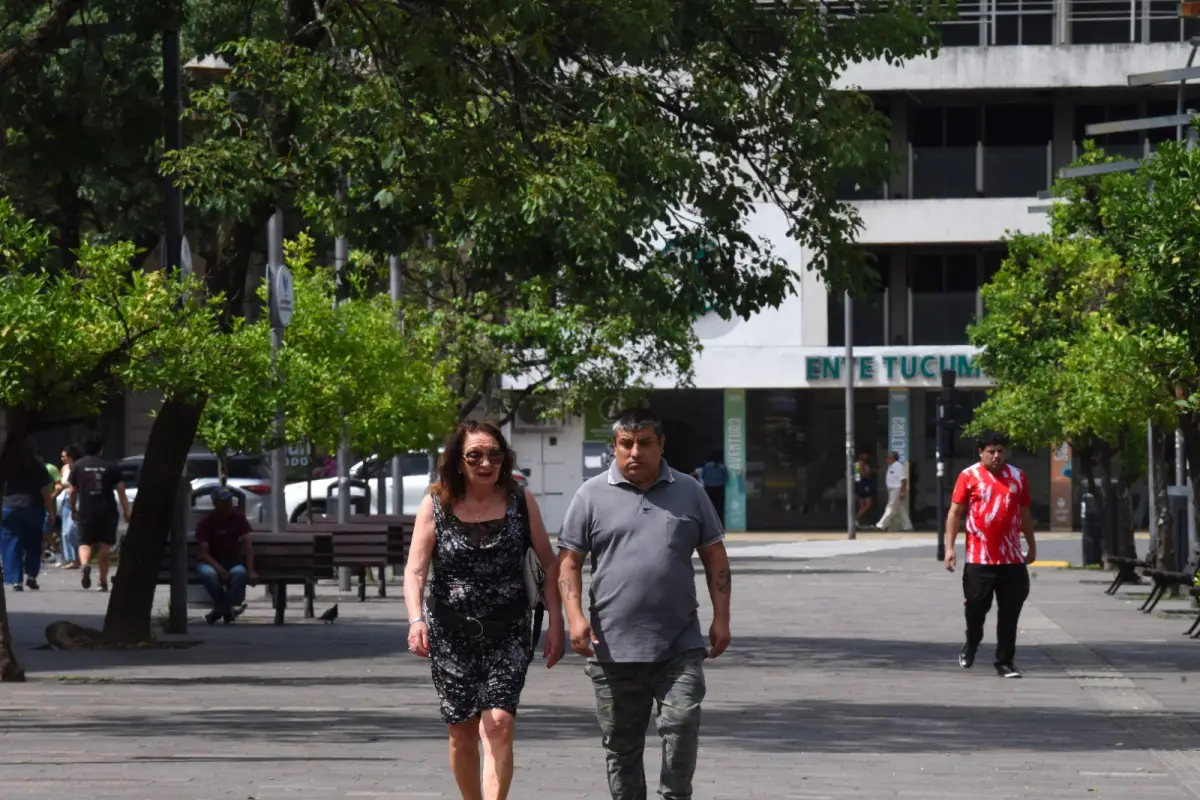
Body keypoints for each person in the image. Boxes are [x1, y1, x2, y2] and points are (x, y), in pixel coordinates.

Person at [558, 407, 731, 800]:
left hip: (678, 642)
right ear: (614, 447)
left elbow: (715, 558)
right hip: (611, 648)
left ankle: (675, 795)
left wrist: (722, 619)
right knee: (622, 747)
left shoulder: (690, 491)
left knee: (683, 722)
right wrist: (574, 618)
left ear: (661, 444)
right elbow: (568, 563)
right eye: (626, 444)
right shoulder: (591, 494)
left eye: (645, 443)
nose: (635, 452)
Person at [403, 420, 564, 800]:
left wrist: (557, 622)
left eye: (493, 455)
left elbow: (550, 563)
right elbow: (415, 570)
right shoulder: (436, 502)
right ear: (458, 461)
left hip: (508, 630)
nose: (485, 463)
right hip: (450, 633)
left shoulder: (519, 501)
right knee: (461, 731)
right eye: (474, 455)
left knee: (498, 723)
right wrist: (415, 620)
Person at [945, 431, 1037, 679]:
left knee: (1010, 611)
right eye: (991, 451)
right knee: (976, 608)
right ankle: (972, 641)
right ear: (981, 453)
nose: (997, 456)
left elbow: (1025, 514)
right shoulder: (969, 476)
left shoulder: (1017, 477)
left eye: (1000, 451)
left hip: (1011, 559)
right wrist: (950, 548)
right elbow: (955, 513)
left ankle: (1005, 662)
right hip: (979, 559)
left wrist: (1031, 543)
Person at [69, 432, 130, 593]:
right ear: (101, 448)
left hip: (86, 509)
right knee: (105, 545)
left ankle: (85, 564)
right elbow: (121, 490)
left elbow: (72, 491)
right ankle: (102, 582)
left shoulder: (78, 466)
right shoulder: (111, 466)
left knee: (84, 543)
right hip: (107, 509)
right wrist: (126, 510)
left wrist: (73, 508)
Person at [195, 487, 258, 625]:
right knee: (208, 575)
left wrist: (251, 570)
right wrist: (220, 569)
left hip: (232, 561)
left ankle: (220, 610)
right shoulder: (205, 522)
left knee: (240, 573)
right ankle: (228, 610)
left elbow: (248, 545)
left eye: (229, 501)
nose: (228, 504)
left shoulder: (238, 517)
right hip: (209, 562)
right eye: (224, 502)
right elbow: (204, 553)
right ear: (215, 503)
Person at [1, 437, 55, 591]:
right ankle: (31, 576)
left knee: (11, 543)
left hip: (9, 507)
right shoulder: (38, 465)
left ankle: (15, 580)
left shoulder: (6, 464)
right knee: (34, 542)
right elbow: (45, 491)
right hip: (33, 507)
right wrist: (50, 510)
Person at [55, 446, 83, 569]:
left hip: (77, 498)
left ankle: (77, 557)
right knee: (65, 531)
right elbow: (61, 482)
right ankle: (70, 558)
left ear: (71, 457)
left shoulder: (79, 467)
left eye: (64, 456)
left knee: (72, 529)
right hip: (66, 499)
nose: (62, 458)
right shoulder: (64, 468)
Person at [874, 451, 913, 532]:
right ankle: (908, 526)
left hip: (896, 490)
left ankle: (881, 525)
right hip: (892, 490)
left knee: (890, 507)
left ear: (892, 458)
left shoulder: (898, 466)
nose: (887, 459)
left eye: (889, 458)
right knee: (901, 509)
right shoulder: (892, 466)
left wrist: (902, 492)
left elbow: (904, 480)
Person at [697, 451, 728, 525]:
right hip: (719, 488)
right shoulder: (723, 467)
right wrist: (720, 483)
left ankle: (710, 523)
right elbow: (726, 478)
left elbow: (703, 476)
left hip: (709, 488)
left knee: (709, 506)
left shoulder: (707, 466)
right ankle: (720, 523)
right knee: (719, 506)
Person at [853, 450, 874, 529]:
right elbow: (863, 474)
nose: (867, 457)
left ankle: (858, 521)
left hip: (858, 484)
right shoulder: (861, 463)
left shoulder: (856, 463)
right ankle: (856, 518)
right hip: (863, 484)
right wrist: (871, 471)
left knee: (862, 504)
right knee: (868, 502)